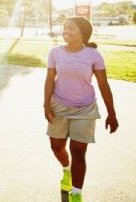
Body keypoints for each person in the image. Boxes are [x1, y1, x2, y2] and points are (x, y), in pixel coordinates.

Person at [43, 17, 119, 202]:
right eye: (64, 27)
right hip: (59, 106)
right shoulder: (55, 52)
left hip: (85, 109)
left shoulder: (93, 55)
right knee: (56, 147)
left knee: (78, 152)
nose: (65, 30)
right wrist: (46, 105)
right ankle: (66, 168)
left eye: (71, 28)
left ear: (82, 33)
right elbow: (50, 79)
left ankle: (76, 194)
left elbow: (103, 84)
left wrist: (112, 113)